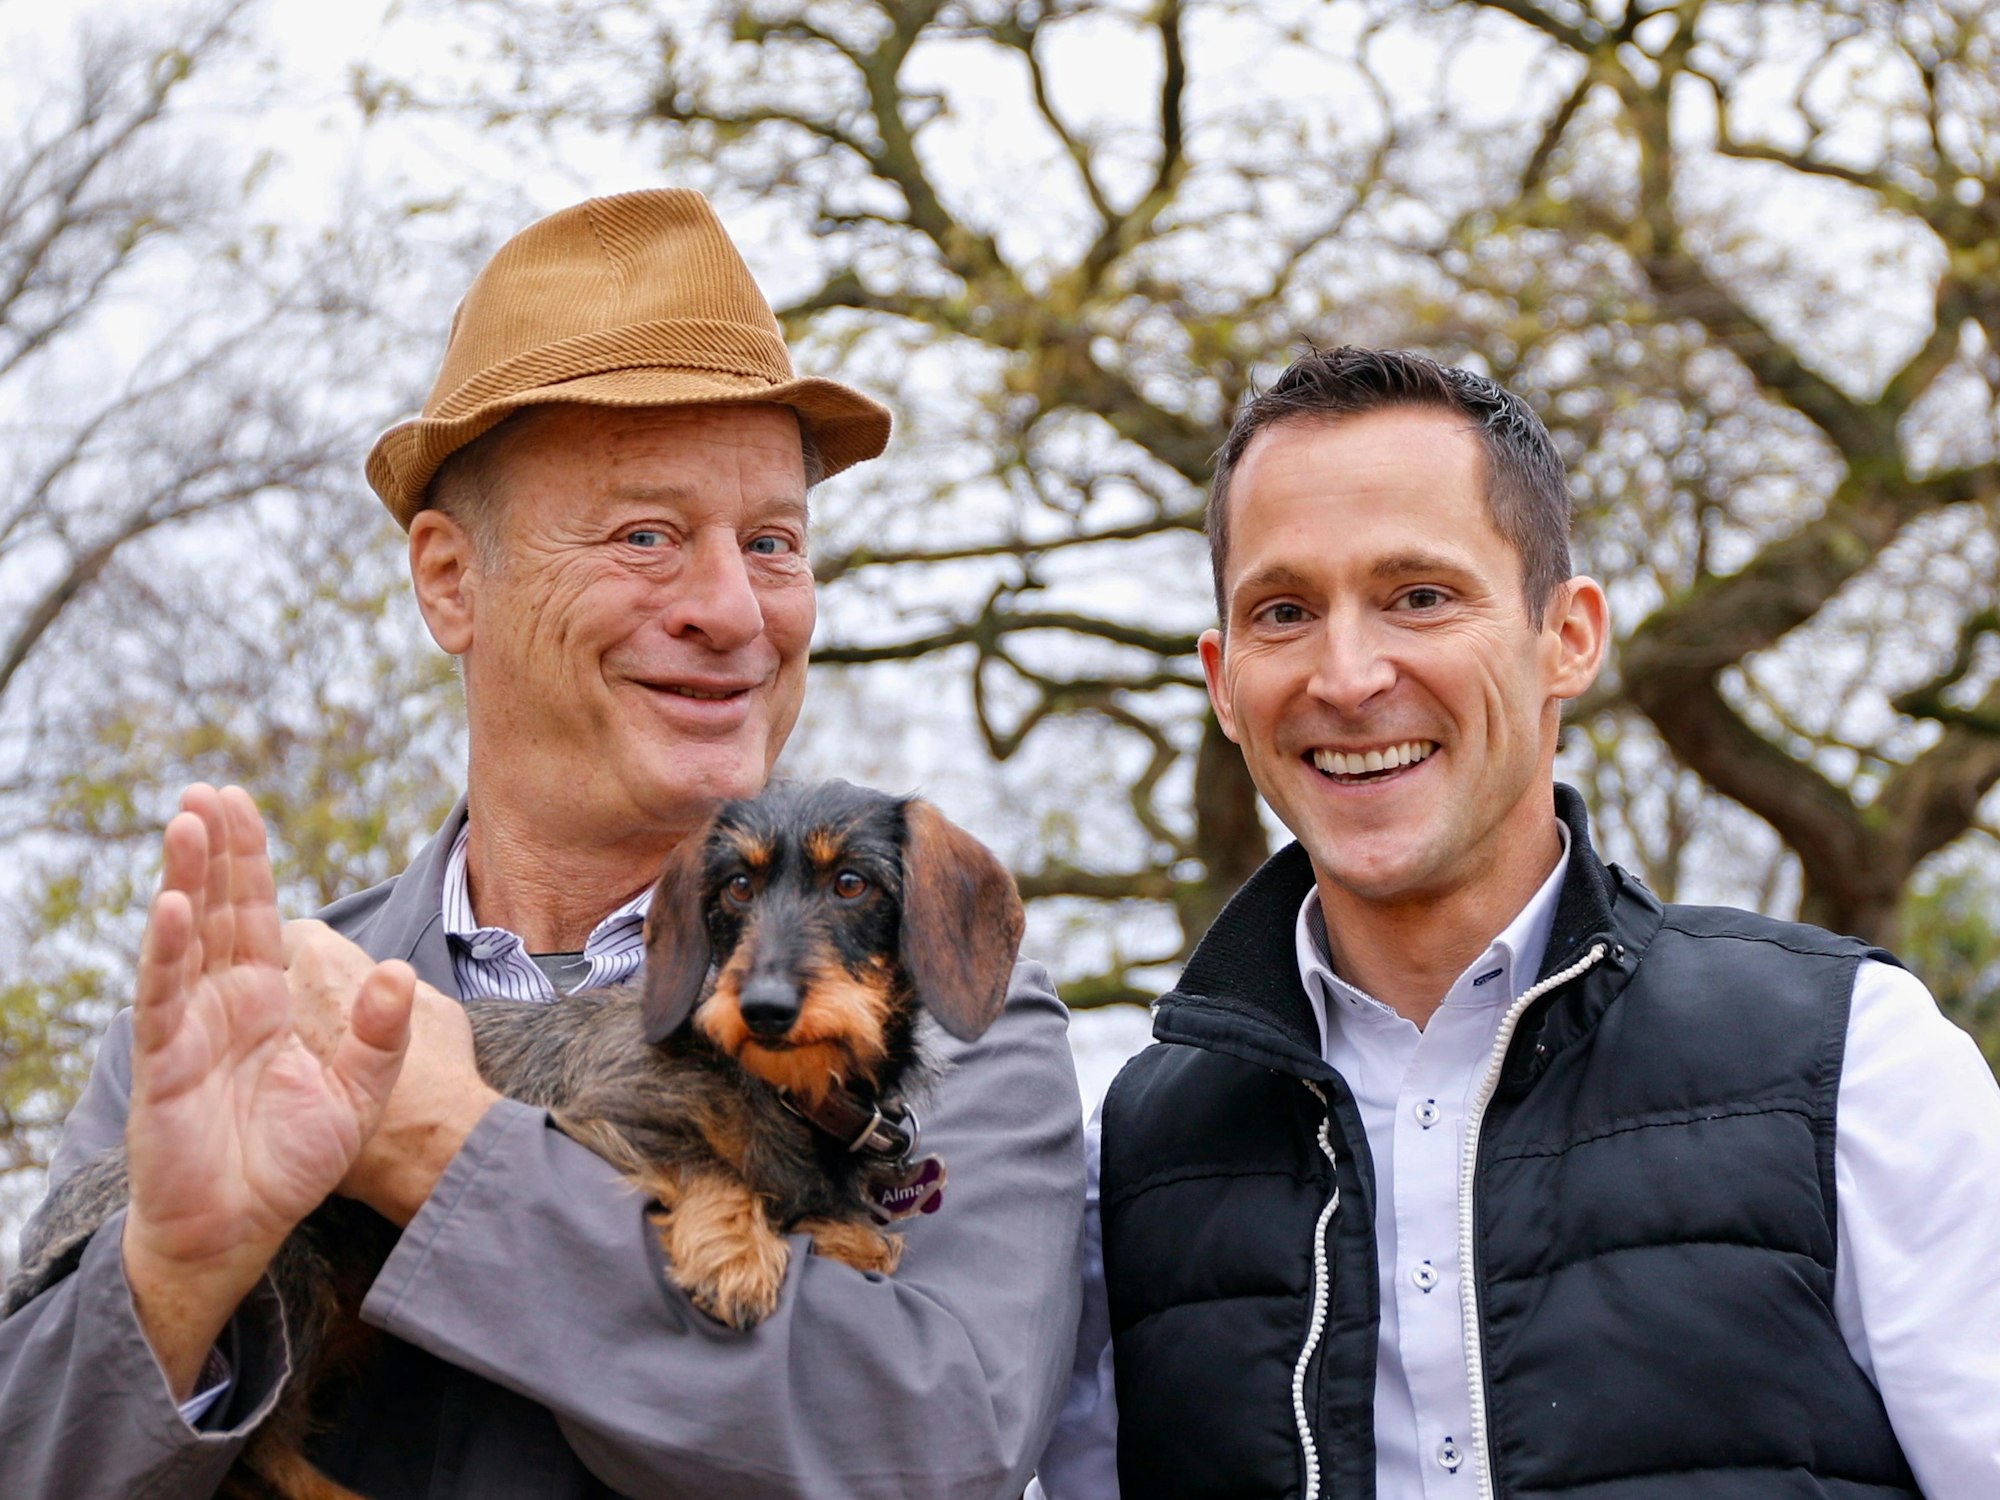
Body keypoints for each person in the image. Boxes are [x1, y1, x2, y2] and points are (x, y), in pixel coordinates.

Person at [0, 189, 1085, 1499]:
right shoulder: (233, 1023)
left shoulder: (954, 1015)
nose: (733, 610)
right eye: (647, 537)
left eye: (773, 543)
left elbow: (936, 1448)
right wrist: (172, 1282)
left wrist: (440, 1141)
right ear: (451, 582)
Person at [1031, 346, 2000, 1500]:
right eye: (1282, 611)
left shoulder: (1852, 1064)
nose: (1345, 676)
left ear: (1567, 637)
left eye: (1419, 597)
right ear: (1222, 680)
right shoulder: (1130, 1165)